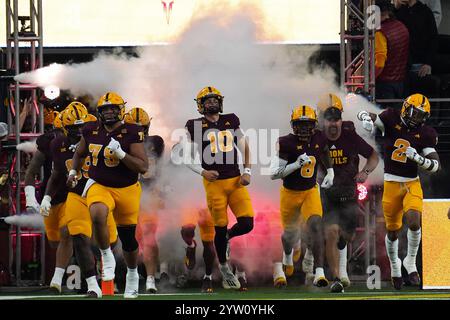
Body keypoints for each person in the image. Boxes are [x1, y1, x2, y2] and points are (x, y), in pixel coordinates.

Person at [69, 92, 148, 298]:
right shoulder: (90, 129)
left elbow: (143, 167)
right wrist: (73, 172)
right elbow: (79, 152)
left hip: (127, 188)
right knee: (96, 214)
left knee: (128, 239)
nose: (109, 112)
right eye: (105, 109)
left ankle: (132, 275)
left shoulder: (132, 131)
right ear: (99, 112)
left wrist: (121, 154)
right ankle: (107, 256)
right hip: (100, 184)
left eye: (113, 108)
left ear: (121, 110)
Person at [357, 93, 440, 289]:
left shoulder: (426, 133)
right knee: (392, 231)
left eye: (421, 115)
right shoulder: (390, 117)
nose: (416, 118)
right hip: (391, 183)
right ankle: (395, 265)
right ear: (405, 108)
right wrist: (366, 120)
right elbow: (365, 113)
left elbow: (436, 165)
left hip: (411, 183)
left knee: (413, 219)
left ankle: (410, 262)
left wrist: (420, 160)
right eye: (414, 112)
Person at [41, 102, 118, 298]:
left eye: (81, 127)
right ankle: (93, 285)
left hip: (99, 190)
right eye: (73, 128)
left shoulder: (98, 134)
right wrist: (47, 197)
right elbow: (58, 173)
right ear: (64, 128)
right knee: (77, 235)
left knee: (111, 240)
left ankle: (112, 277)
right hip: (76, 194)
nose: (78, 132)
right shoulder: (58, 144)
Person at [183, 86, 254, 290]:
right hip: (214, 184)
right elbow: (185, 157)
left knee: (247, 223)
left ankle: (228, 238)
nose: (212, 103)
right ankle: (224, 267)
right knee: (219, 227)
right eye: (207, 100)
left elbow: (244, 146)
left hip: (235, 180)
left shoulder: (230, 119)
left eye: (215, 99)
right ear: (200, 105)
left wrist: (247, 171)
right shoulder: (194, 125)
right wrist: (202, 172)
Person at [317, 94, 379, 293]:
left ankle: (340, 269)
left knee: (347, 236)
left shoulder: (350, 134)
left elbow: (373, 156)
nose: (333, 123)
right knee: (331, 232)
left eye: (336, 118)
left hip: (349, 192)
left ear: (341, 119)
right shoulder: (315, 136)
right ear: (322, 119)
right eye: (329, 118)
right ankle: (337, 276)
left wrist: (365, 172)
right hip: (326, 192)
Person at [270, 105, 334, 288]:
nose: (305, 128)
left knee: (315, 225)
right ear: (293, 125)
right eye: (300, 124)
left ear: (314, 125)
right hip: (290, 193)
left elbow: (324, 151)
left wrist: (330, 172)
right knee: (289, 234)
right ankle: (288, 256)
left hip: (310, 191)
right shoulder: (286, 143)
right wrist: (295, 165)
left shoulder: (319, 137)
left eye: (308, 124)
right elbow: (274, 174)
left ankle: (319, 273)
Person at [24, 109, 71, 293]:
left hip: (72, 195)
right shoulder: (47, 143)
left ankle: (56, 280)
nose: (62, 136)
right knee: (54, 240)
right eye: (59, 131)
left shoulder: (82, 142)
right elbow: (31, 172)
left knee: (68, 232)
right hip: (51, 197)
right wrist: (30, 199)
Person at [124, 107, 164, 294]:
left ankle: (150, 278)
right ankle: (126, 275)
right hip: (127, 192)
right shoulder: (120, 140)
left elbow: (160, 169)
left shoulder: (155, 142)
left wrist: (163, 189)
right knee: (128, 237)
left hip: (149, 193)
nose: (140, 131)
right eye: (136, 127)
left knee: (149, 235)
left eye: (143, 127)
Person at [375, 0, 410, 102]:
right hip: (401, 82)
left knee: (384, 116)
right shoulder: (401, 26)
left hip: (385, 85)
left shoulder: (380, 34)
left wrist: (368, 80)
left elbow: (380, 64)